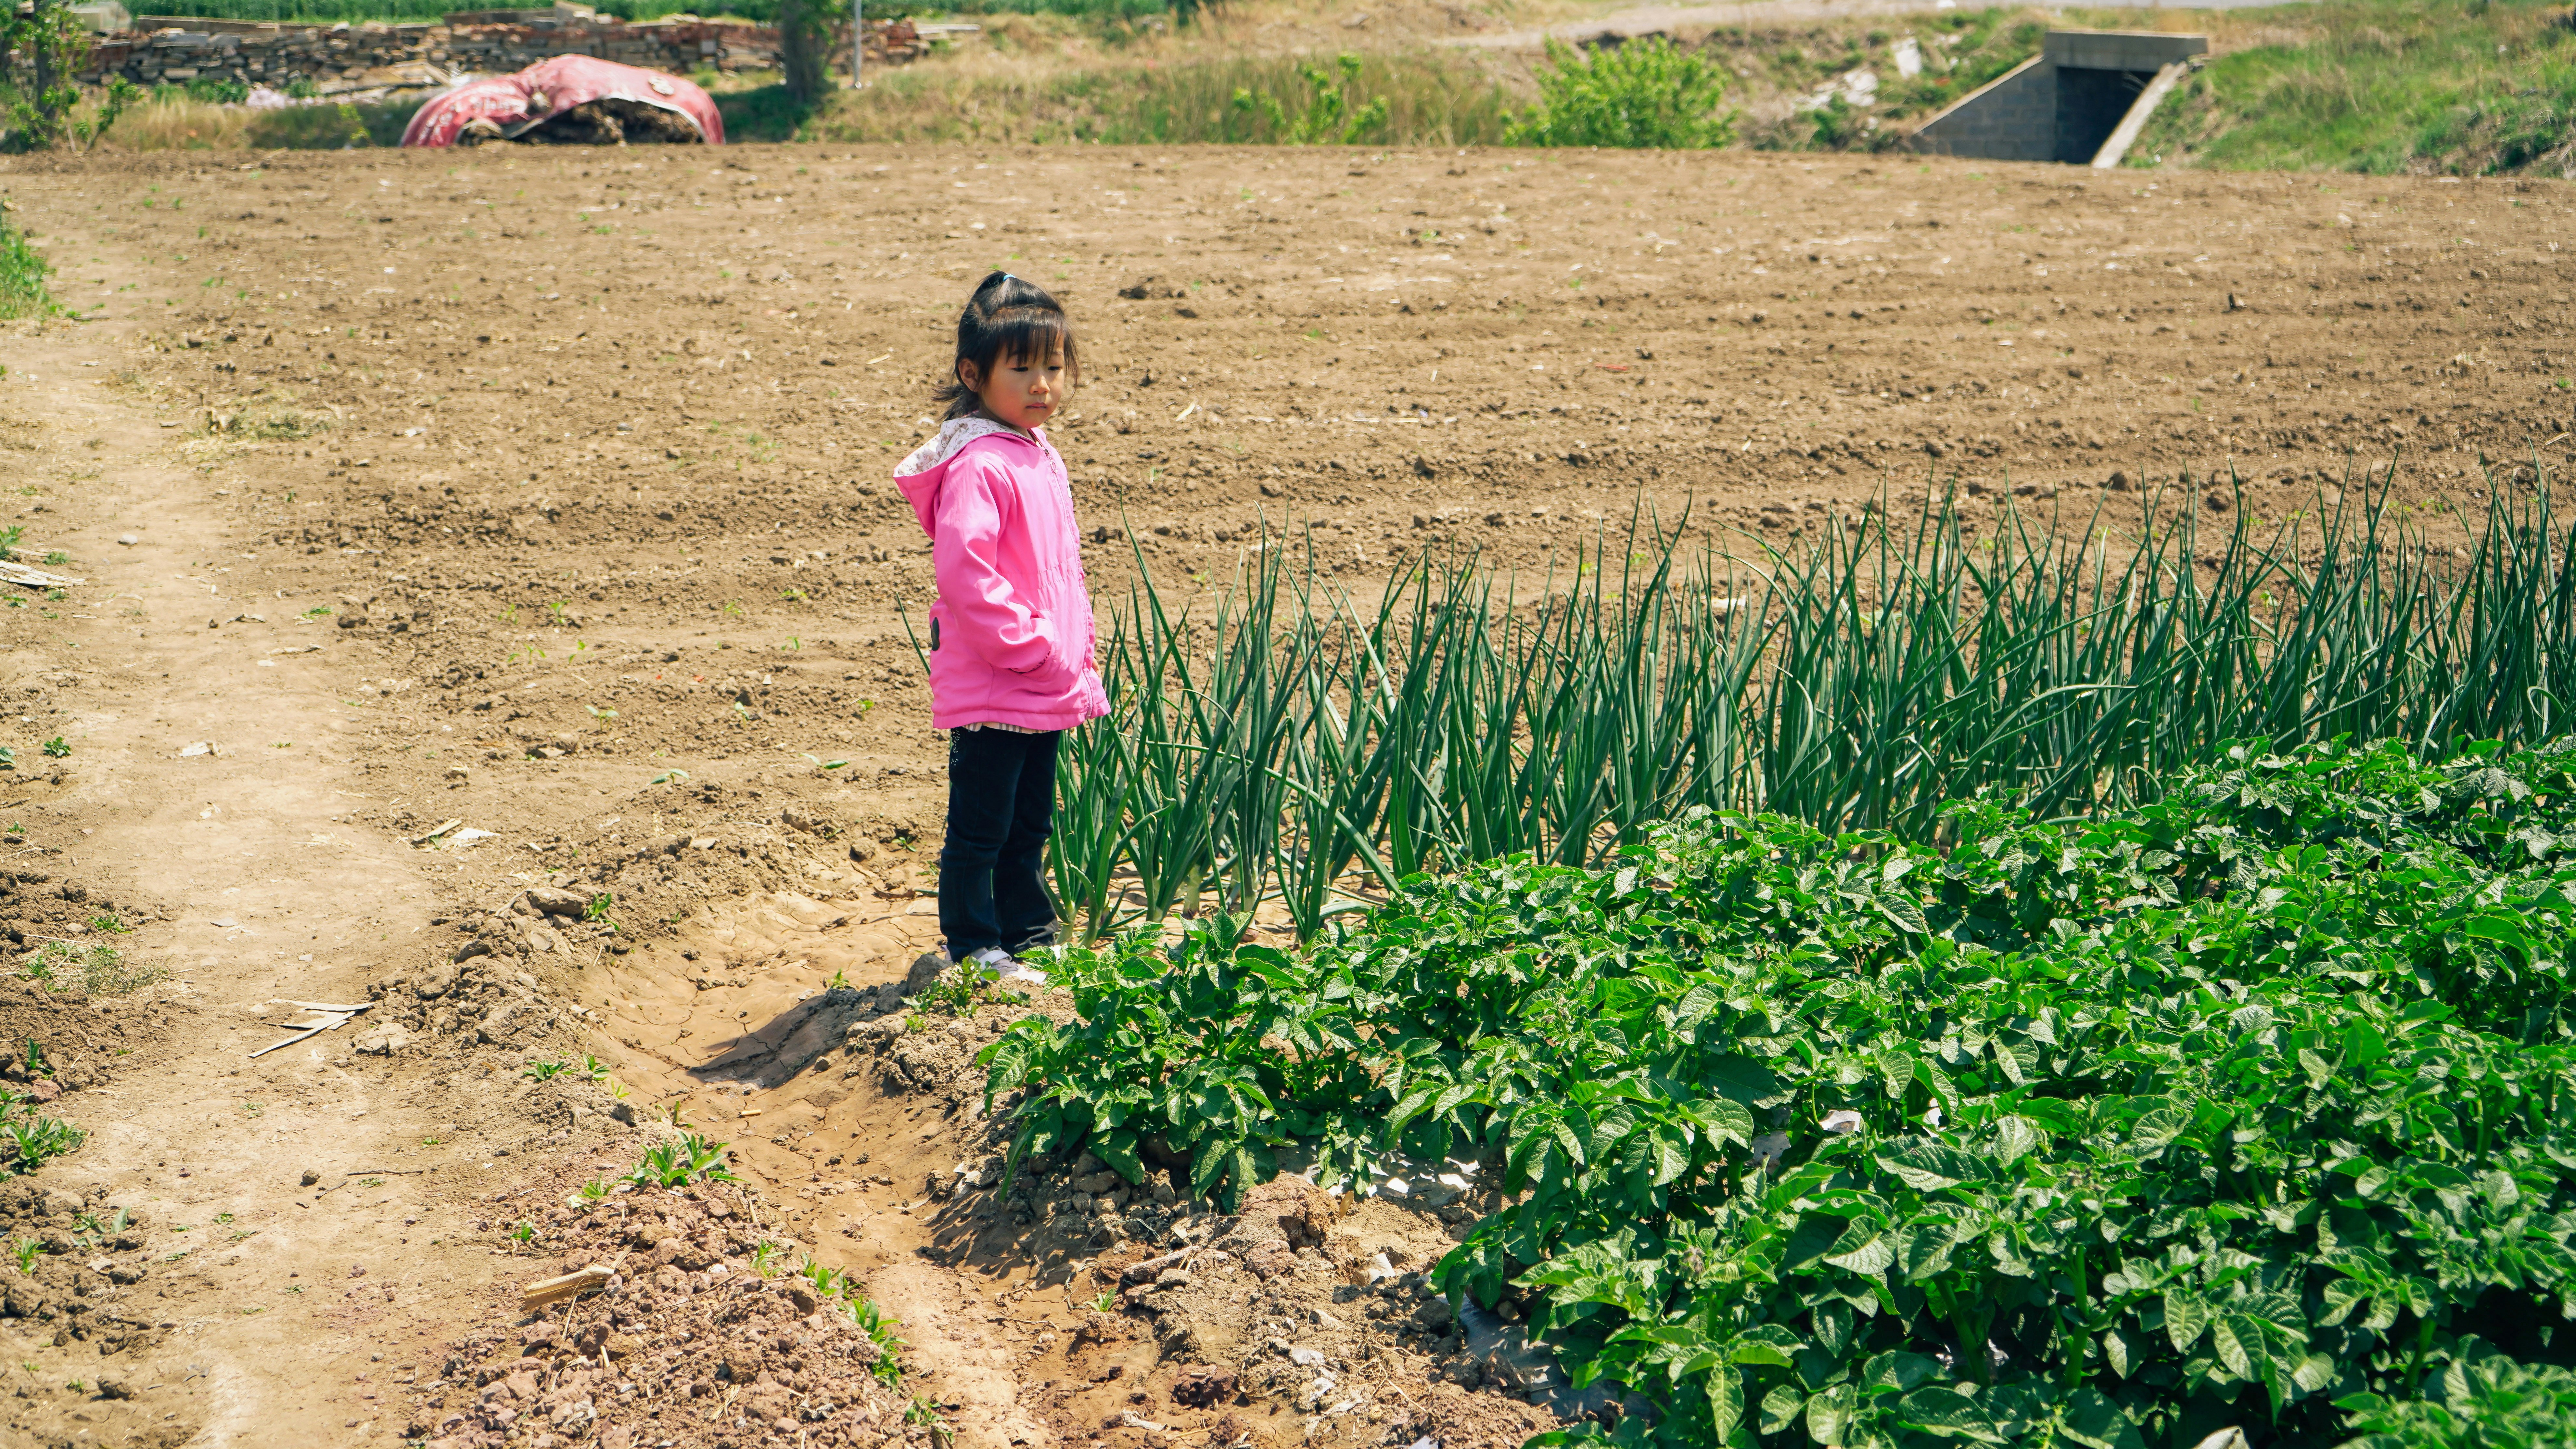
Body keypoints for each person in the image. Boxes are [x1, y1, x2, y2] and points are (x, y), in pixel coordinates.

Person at [895, 272, 1107, 986]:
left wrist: (1071, 650)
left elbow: (1054, 569)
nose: (1042, 383)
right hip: (1000, 679)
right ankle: (974, 943)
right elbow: (969, 576)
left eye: (1052, 366)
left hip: (1041, 681)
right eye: (1021, 368)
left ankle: (1030, 936)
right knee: (982, 827)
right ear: (972, 374)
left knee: (1027, 825)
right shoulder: (981, 463)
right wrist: (1037, 648)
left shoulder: (1037, 452)